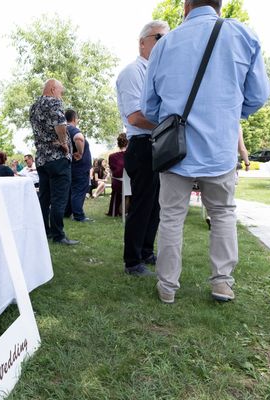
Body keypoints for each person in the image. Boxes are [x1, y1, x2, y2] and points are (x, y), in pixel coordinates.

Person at [142, 0, 270, 303]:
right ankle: (222, 283)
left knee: (172, 217)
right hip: (220, 146)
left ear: (186, 6)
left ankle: (167, 287)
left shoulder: (165, 43)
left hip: (175, 150)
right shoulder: (242, 35)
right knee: (223, 213)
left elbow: (149, 106)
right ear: (220, 5)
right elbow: (258, 96)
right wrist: (228, 113)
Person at [116, 19, 170, 276]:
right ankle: (132, 261)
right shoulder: (133, 72)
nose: (164, 43)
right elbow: (135, 117)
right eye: (159, 37)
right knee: (142, 203)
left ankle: (146, 251)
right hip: (142, 144)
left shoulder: (159, 72)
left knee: (156, 204)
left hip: (158, 144)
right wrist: (170, 126)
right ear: (142, 42)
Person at [29, 79, 78, 245]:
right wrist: (64, 143)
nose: (61, 95)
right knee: (59, 198)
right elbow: (61, 125)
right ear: (52, 89)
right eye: (60, 91)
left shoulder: (34, 106)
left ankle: (45, 231)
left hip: (42, 158)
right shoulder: (54, 102)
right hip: (57, 157)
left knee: (44, 197)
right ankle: (59, 235)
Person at [65, 109, 93, 222]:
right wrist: (80, 153)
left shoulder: (64, 130)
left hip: (71, 166)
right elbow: (79, 138)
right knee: (79, 191)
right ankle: (79, 215)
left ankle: (67, 212)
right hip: (80, 167)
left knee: (71, 191)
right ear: (74, 118)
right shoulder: (72, 129)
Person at [107, 133, 128, 217]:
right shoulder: (133, 155)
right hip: (132, 183)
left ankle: (115, 210)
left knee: (117, 182)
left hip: (119, 183)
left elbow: (114, 171)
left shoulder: (112, 156)